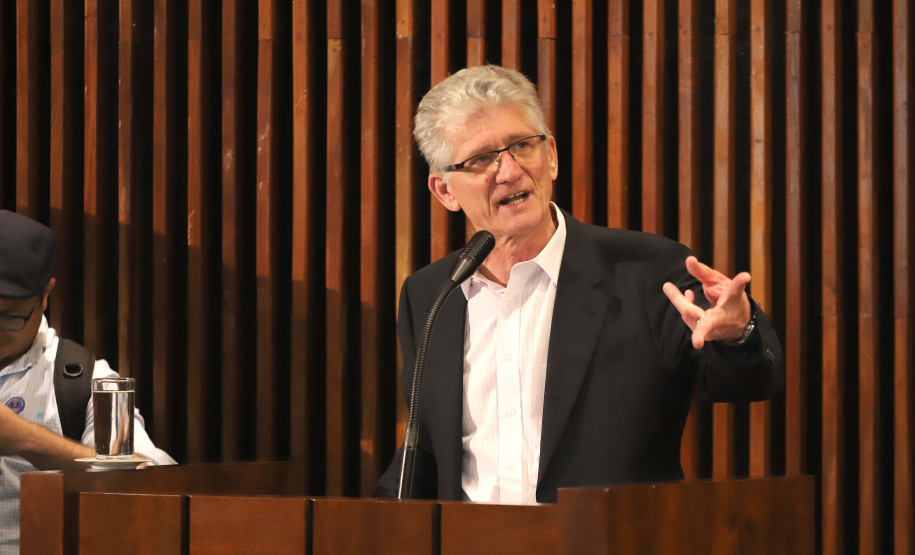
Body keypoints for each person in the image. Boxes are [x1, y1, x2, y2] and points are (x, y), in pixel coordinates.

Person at [375, 65, 783, 504]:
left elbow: (749, 385)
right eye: (480, 159)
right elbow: (429, 451)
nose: (509, 171)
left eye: (521, 146)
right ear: (444, 191)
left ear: (550, 153)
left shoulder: (644, 270)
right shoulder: (430, 295)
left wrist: (739, 333)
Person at [0, 210, 174, 553]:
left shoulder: (90, 379)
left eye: (8, 315)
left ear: (46, 293)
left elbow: (155, 480)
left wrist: (28, 441)